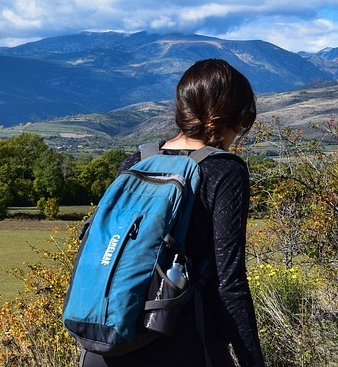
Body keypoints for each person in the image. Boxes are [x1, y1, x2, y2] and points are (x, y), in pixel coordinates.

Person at [81, 58, 265, 367]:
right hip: (181, 342)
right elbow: (230, 284)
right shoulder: (224, 170)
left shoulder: (135, 161)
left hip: (103, 344)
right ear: (231, 116)